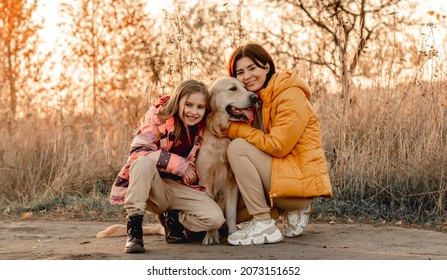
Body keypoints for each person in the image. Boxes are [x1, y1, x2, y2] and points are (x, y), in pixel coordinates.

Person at [225, 43, 333, 246]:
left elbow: (278, 145)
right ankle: (273, 213)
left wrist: (236, 130)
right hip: (278, 178)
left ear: (266, 66)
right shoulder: (254, 101)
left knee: (237, 147)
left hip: (298, 186)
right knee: (230, 216)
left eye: (252, 68)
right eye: (240, 72)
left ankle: (265, 221)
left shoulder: (289, 94)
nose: (247, 76)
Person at [109, 79, 225, 253]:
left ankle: (175, 218)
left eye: (200, 107)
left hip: (182, 189)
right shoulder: (158, 118)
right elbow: (138, 152)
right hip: (155, 188)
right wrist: (180, 165)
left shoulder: (204, 128)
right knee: (142, 163)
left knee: (215, 219)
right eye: (189, 105)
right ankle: (134, 228)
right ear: (178, 101)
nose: (194, 112)